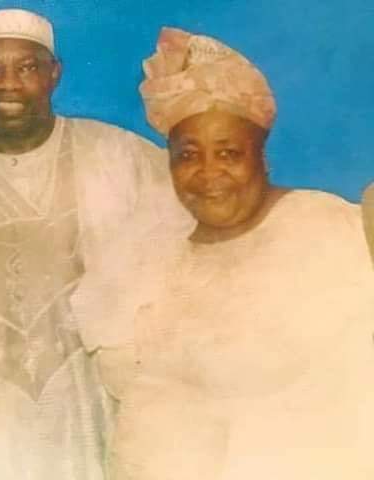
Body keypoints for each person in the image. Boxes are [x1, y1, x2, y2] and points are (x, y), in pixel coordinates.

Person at [0, 8, 191, 480]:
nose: (8, 84)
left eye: (27, 68)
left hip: (85, 423)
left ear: (55, 75)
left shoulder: (121, 159)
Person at [72, 27, 374, 480]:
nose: (208, 173)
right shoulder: (147, 253)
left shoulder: (332, 229)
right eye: (187, 155)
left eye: (229, 152)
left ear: (262, 157)